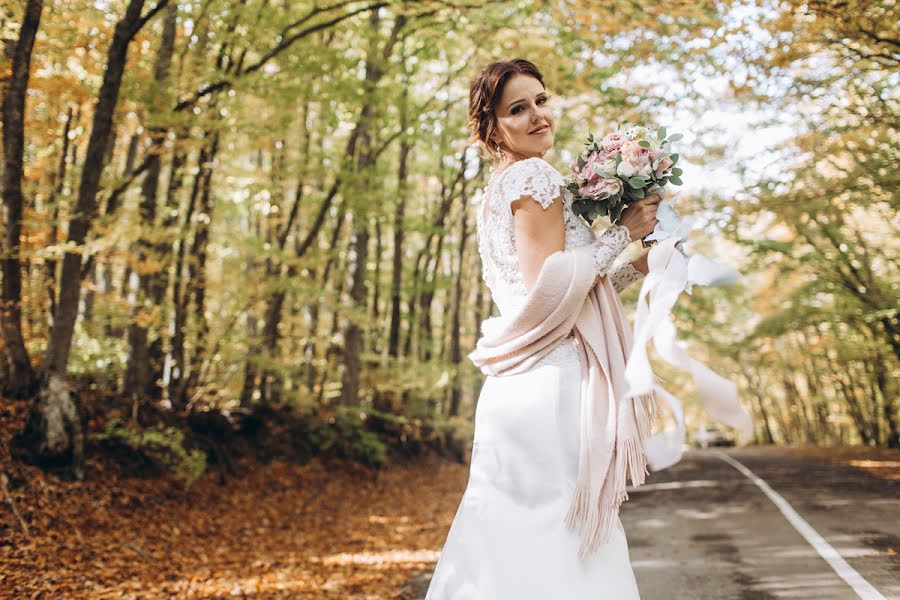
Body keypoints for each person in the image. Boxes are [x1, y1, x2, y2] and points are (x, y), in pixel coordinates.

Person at [423, 58, 661, 599]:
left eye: (541, 100)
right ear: (492, 127)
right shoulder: (533, 176)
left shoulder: (504, 184)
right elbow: (548, 290)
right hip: (550, 387)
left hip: (521, 386)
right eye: (517, 108)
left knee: (512, 537)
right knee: (558, 537)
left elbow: (569, 295)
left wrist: (635, 265)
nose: (537, 115)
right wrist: (620, 233)